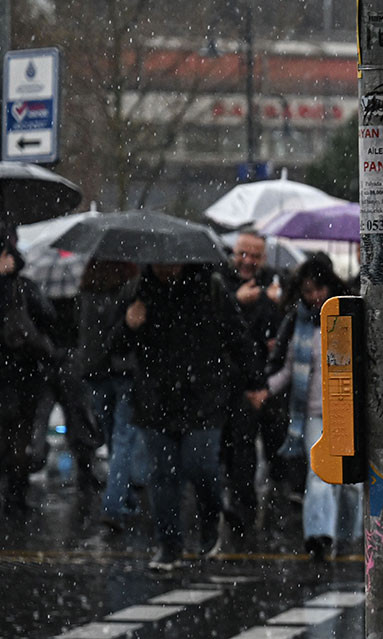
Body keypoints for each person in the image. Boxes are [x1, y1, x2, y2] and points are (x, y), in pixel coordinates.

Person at [119, 262, 264, 570]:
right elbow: (114, 346)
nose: (166, 269)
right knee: (163, 475)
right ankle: (169, 544)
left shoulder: (209, 287)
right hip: (156, 400)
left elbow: (236, 335)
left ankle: (211, 525)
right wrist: (129, 325)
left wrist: (254, 381)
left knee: (200, 467)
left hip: (203, 397)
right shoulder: (137, 292)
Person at [265, 253, 360, 562]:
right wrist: (263, 390)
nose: (315, 296)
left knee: (349, 483)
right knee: (319, 475)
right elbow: (288, 369)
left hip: (348, 414)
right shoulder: (298, 323)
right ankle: (320, 536)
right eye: (308, 290)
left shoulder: (349, 316)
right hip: (312, 415)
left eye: (320, 288)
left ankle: (349, 535)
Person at [219, 229, 287, 533]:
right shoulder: (220, 280)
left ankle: (245, 508)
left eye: (254, 256)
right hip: (224, 380)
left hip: (260, 379)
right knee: (227, 448)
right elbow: (217, 323)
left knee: (249, 448)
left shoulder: (272, 283)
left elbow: (277, 330)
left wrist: (271, 303)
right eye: (242, 254)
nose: (247, 261)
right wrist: (236, 300)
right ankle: (231, 505)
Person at [75, 258, 145, 530]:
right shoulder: (131, 289)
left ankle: (123, 498)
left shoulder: (87, 290)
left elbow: (80, 329)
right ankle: (115, 505)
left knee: (114, 438)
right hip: (123, 369)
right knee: (124, 439)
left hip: (95, 371)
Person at [0, 239, 59, 516]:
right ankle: (15, 498)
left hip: (20, 376)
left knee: (17, 437)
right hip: (21, 375)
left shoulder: (20, 288)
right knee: (18, 438)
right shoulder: (22, 288)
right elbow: (49, 317)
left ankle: (14, 497)